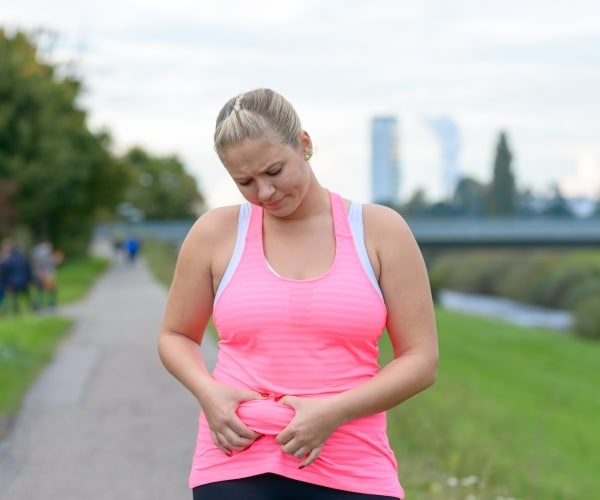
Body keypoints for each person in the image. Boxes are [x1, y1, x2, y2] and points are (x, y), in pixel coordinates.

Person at [158, 88, 438, 500]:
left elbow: (421, 360)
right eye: (245, 182)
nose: (265, 193)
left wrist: (333, 412)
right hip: (235, 463)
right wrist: (209, 394)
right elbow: (175, 336)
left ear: (304, 145)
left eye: (274, 171)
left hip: (353, 467)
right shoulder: (214, 235)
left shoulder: (380, 231)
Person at [1, 239, 33, 314]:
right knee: (26, 295)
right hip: (23, 280)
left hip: (12, 281)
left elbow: (5, 272)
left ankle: (15, 310)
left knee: (14, 297)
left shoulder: (8, 259)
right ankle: (31, 307)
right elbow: (28, 269)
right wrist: (30, 279)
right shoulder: (23, 257)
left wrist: (5, 282)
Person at [31, 237, 63, 311]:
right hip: (45, 275)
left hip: (38, 274)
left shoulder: (36, 252)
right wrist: (55, 260)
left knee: (40, 290)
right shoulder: (43, 253)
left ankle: (38, 306)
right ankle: (51, 305)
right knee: (52, 290)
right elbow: (46, 264)